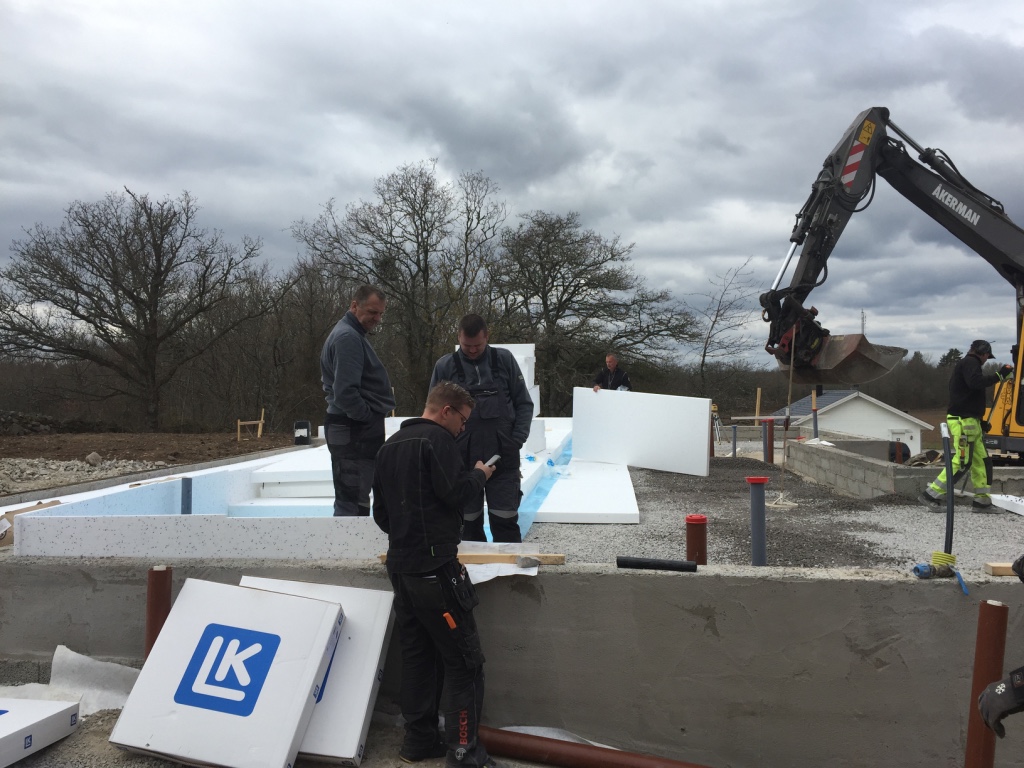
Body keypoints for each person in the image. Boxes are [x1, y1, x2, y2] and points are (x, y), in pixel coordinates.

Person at [372, 381, 500, 768]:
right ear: (446, 411)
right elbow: (457, 494)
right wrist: (479, 475)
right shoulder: (438, 440)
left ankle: (418, 742)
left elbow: (381, 515)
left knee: (418, 657)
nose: (463, 428)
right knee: (465, 662)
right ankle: (463, 753)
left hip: (401, 569)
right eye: (463, 419)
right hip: (435, 572)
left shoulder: (389, 446)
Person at [429, 314, 533, 543]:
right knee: (467, 526)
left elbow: (524, 404)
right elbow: (434, 414)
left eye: (478, 345)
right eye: (467, 346)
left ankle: (509, 567)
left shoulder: (504, 360)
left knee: (505, 520)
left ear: (487, 336)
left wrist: (516, 439)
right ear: (458, 337)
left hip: (503, 458)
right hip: (462, 462)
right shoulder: (445, 366)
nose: (473, 350)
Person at [320, 284, 396, 516]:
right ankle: (347, 541)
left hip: (351, 427)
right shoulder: (348, 338)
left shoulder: (350, 334)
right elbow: (345, 393)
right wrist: (367, 418)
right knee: (351, 501)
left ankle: (352, 539)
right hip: (353, 428)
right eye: (372, 312)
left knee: (356, 497)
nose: (377, 319)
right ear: (354, 305)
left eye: (381, 313)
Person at [919, 339, 1013, 511]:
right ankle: (930, 495)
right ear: (983, 352)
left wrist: (979, 421)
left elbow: (968, 395)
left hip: (970, 421)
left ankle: (982, 502)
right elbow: (975, 383)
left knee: (982, 462)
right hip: (963, 422)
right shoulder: (970, 363)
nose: (986, 360)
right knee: (963, 462)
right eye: (987, 356)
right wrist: (999, 375)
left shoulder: (968, 365)